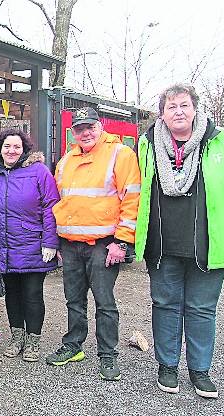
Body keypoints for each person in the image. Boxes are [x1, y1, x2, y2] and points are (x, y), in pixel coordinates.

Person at [136, 84, 224, 398]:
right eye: (171, 106)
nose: (178, 111)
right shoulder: (146, 144)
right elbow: (133, 192)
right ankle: (167, 366)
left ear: (195, 109)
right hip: (162, 247)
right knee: (165, 306)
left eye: (184, 105)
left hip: (208, 245)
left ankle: (200, 370)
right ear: (162, 114)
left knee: (202, 309)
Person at [45, 107, 141, 381]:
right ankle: (74, 345)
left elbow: (132, 199)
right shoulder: (66, 161)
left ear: (100, 127)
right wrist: (60, 241)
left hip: (104, 244)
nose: (85, 133)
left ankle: (108, 355)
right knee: (73, 300)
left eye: (90, 127)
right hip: (71, 245)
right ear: (72, 133)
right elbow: (60, 202)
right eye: (79, 129)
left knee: (104, 302)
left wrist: (121, 242)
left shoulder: (120, 154)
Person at [0, 128, 60, 361]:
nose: (12, 150)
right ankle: (16, 337)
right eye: (7, 146)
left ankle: (33, 340)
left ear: (24, 149)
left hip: (32, 244)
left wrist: (50, 241)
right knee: (12, 294)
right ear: (0, 148)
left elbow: (51, 205)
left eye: (17, 146)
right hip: (4, 245)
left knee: (32, 294)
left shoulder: (38, 171)